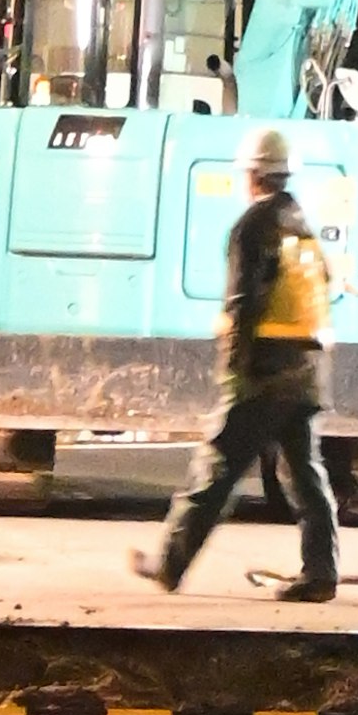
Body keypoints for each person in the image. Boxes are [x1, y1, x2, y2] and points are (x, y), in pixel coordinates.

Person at [140, 127, 338, 605]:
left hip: (265, 370)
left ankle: (169, 564)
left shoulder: (253, 226)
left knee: (216, 467)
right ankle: (321, 572)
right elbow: (322, 288)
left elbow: (244, 300)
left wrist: (234, 367)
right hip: (307, 369)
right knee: (305, 474)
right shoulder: (300, 222)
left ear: (253, 175)